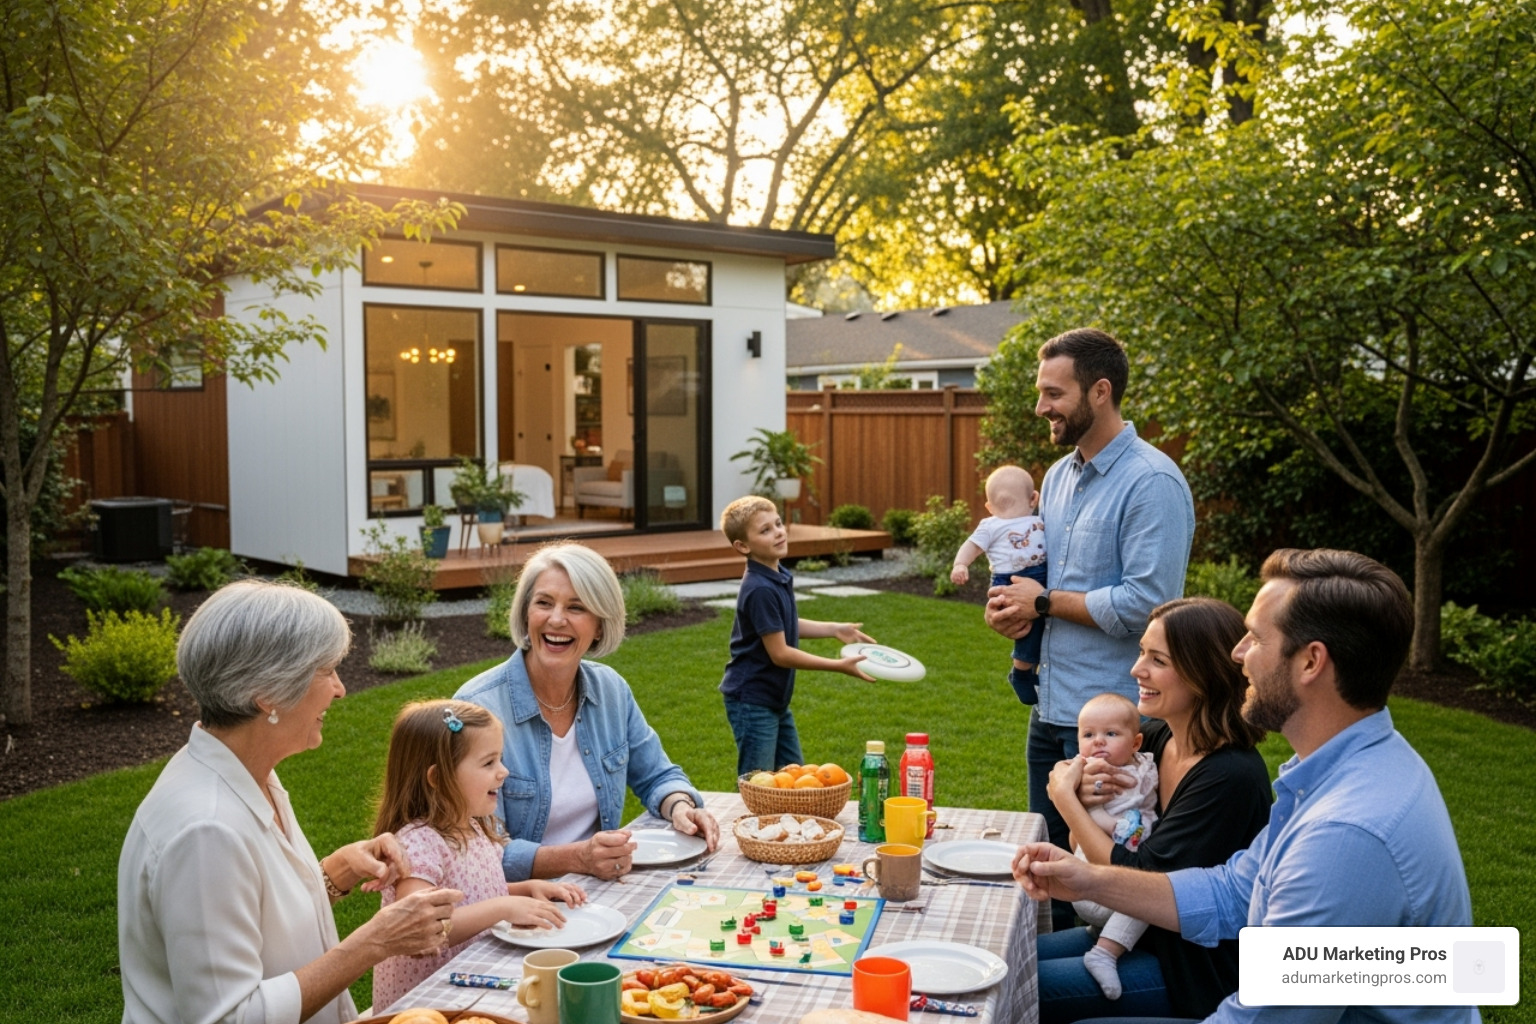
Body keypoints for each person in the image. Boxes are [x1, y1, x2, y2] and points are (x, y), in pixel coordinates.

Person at [1017, 549, 1477, 1024]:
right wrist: (1091, 879)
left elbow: (1268, 1015)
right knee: (1019, 978)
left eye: (1255, 638)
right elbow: (1232, 891)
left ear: (1311, 662)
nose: (1237, 655)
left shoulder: (1346, 832)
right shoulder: (1341, 768)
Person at [119, 580, 462, 1024]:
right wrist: (376, 941)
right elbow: (229, 1018)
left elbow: (252, 924)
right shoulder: (206, 830)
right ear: (268, 693)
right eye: (326, 670)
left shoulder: (248, 773)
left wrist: (336, 873)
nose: (339, 689)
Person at [985, 326, 1194, 929]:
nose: (1041, 407)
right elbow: (1043, 576)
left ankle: (1098, 987)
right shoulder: (1055, 477)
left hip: (1114, 729)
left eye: (1054, 394)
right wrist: (1017, 609)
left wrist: (1045, 602)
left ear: (1099, 392)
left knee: (1102, 889)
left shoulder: (1151, 482)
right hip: (1050, 715)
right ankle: (1041, 992)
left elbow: (1148, 601)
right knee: (1043, 877)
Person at [1029, 597, 1270, 1022]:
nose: (1136, 670)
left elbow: (1137, 873)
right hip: (1130, 933)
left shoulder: (1228, 777)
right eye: (1142, 653)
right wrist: (1085, 791)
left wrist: (1068, 802)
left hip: (1192, 969)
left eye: (1157, 660)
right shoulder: (1156, 740)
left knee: (1026, 987)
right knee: (1004, 958)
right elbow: (1086, 797)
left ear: (1203, 673)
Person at [456, 541, 720, 883]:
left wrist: (681, 807)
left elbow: (657, 775)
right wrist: (578, 858)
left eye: (576, 607)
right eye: (544, 603)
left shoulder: (610, 690)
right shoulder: (478, 709)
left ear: (599, 625)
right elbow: (480, 852)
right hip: (519, 904)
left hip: (598, 887)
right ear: (526, 613)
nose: (556, 619)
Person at [371, 699, 589, 1011]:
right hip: (426, 1006)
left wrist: (525, 890)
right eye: (488, 763)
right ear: (437, 779)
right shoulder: (418, 844)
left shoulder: (472, 827)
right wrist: (503, 906)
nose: (504, 772)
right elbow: (421, 927)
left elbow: (474, 894)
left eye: (500, 760)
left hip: (470, 985)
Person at [717, 495, 876, 776]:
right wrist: (836, 666)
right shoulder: (760, 588)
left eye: (778, 524)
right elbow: (780, 654)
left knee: (795, 777)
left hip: (774, 700)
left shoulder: (775, 574)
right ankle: (751, 822)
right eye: (765, 530)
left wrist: (834, 629)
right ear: (743, 546)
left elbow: (784, 624)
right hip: (753, 701)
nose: (778, 532)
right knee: (759, 783)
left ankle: (784, 819)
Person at [1068, 693, 1159, 1001]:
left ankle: (1105, 937)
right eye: (1088, 735)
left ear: (1135, 744)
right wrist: (1108, 823)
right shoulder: (1087, 771)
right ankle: (1105, 953)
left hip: (1110, 888)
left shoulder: (1143, 764)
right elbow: (1085, 817)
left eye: (1110, 734)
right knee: (1152, 894)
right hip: (1095, 884)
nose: (1098, 742)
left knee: (1153, 884)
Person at [951, 464, 1049, 703]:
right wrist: (960, 564)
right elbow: (971, 546)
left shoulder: (1035, 521)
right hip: (1008, 580)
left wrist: (961, 566)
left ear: (989, 505)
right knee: (1025, 626)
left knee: (1042, 624)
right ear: (1034, 498)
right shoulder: (990, 525)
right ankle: (1022, 672)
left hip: (1040, 575)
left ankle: (1030, 669)